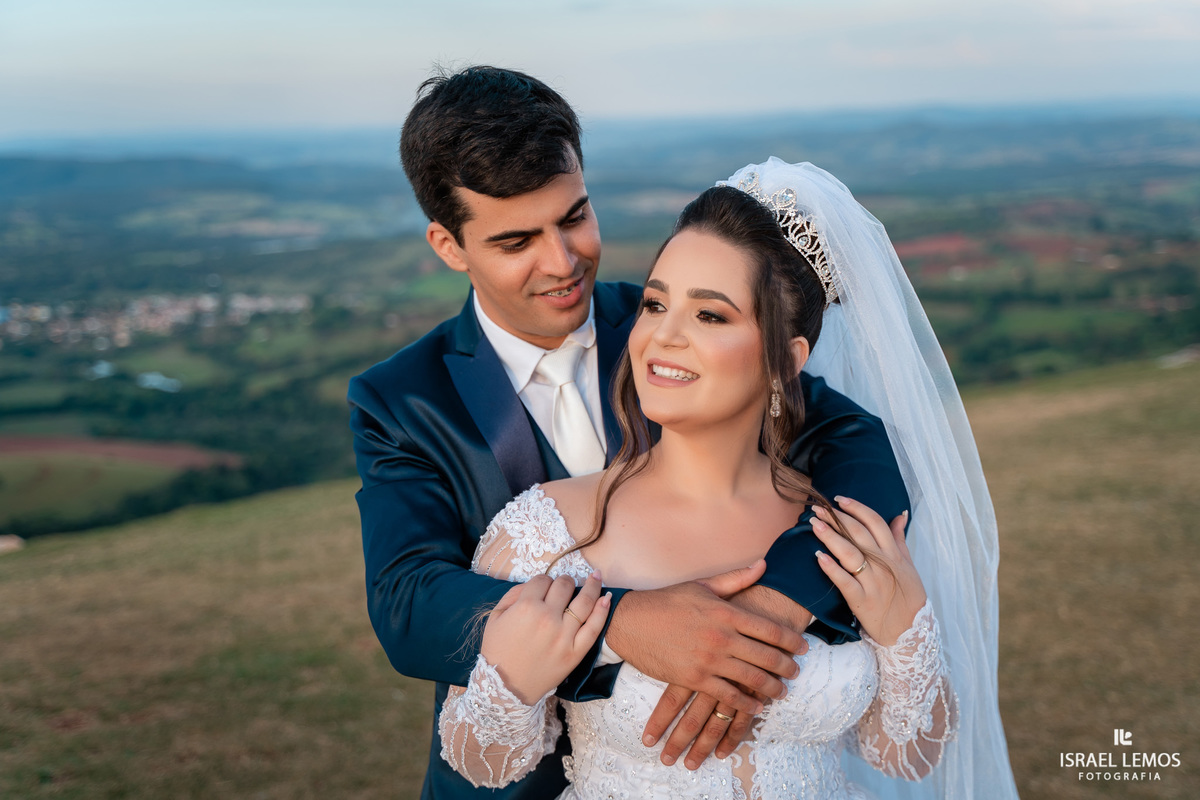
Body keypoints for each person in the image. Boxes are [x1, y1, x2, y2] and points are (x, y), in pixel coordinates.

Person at [348, 67, 909, 800]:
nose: (563, 261)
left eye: (574, 217)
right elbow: (410, 600)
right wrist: (621, 622)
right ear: (449, 246)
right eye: (518, 240)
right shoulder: (402, 399)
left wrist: (780, 599)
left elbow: (859, 449)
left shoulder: (661, 330)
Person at [437, 161, 1020, 799]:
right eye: (655, 303)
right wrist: (512, 678)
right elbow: (482, 764)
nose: (664, 335)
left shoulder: (844, 529)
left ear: (786, 361)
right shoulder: (544, 532)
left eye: (710, 316)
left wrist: (904, 625)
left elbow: (908, 755)